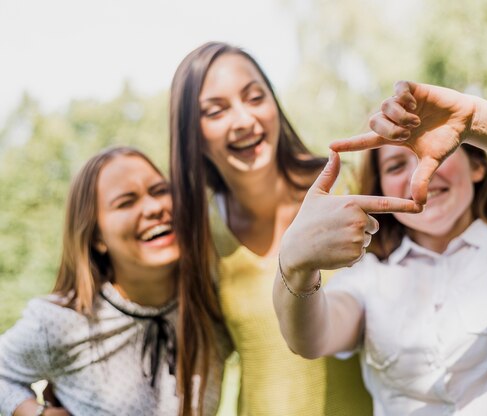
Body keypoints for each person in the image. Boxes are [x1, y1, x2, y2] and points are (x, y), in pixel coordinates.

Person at [273, 81, 487, 415]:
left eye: (438, 150)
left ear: (477, 166)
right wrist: (295, 263)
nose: (419, 173)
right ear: (380, 188)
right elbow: (310, 338)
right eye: (396, 165)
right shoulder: (368, 279)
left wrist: (474, 119)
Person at [168, 41, 426, 415]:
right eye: (216, 111)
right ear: (193, 135)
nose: (243, 120)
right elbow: (201, 371)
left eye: (254, 97)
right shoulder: (199, 235)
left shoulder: (346, 188)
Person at [0, 146, 228, 416]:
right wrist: (35, 413)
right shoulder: (61, 322)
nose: (154, 208)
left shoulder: (213, 297)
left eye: (160, 190)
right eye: (126, 202)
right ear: (97, 237)